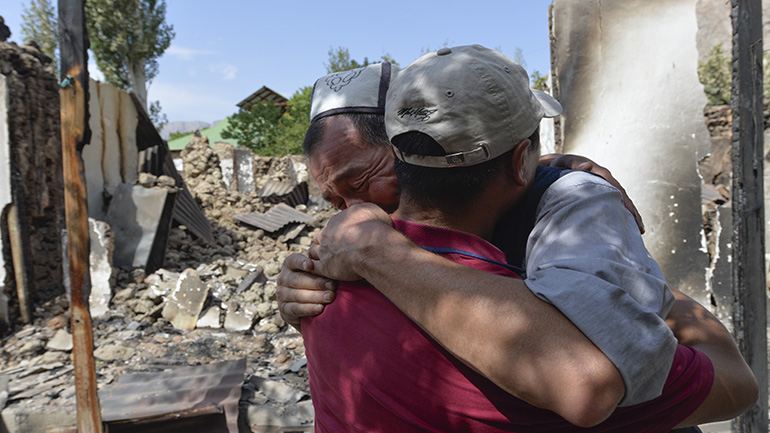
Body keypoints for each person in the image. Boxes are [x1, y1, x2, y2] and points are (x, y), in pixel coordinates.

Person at [298, 44, 756, 431]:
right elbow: (734, 383)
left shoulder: (337, 281)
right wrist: (647, 290)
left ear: (399, 149)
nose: (351, 212)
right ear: (520, 160)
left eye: (358, 185)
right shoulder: (538, 338)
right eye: (333, 200)